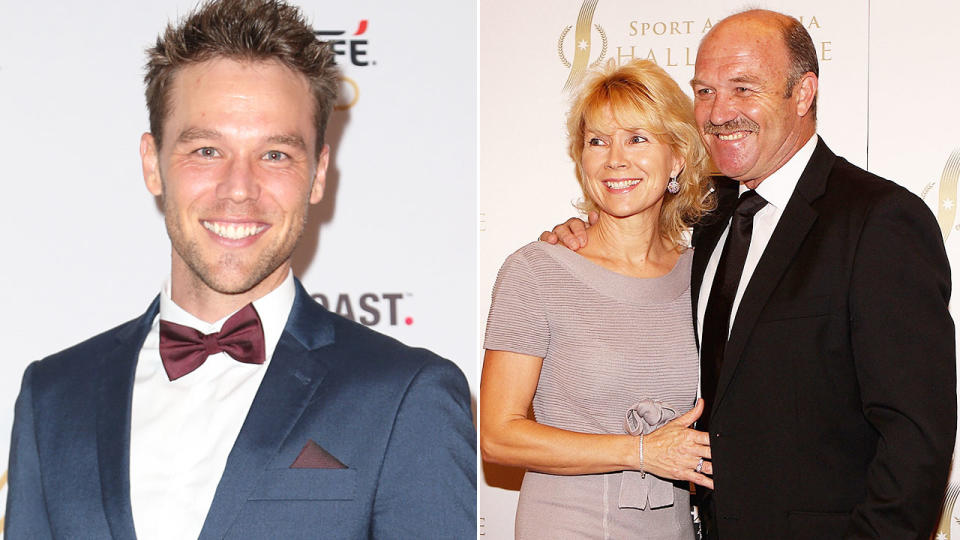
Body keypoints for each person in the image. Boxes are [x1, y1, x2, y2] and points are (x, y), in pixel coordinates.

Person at [5, 1, 476, 538]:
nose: (238, 189)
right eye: (207, 150)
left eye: (275, 155)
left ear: (318, 174)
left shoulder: (405, 396)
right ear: (151, 163)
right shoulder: (54, 396)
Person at [543, 9, 955, 539]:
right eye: (706, 91)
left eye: (743, 88)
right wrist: (580, 237)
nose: (718, 112)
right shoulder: (713, 217)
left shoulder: (877, 220)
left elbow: (915, 435)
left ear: (803, 94)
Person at [480, 59, 715, 538]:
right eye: (597, 141)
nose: (615, 159)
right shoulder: (538, 270)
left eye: (637, 138)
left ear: (677, 158)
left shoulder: (707, 275)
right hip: (567, 526)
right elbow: (497, 436)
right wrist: (641, 452)